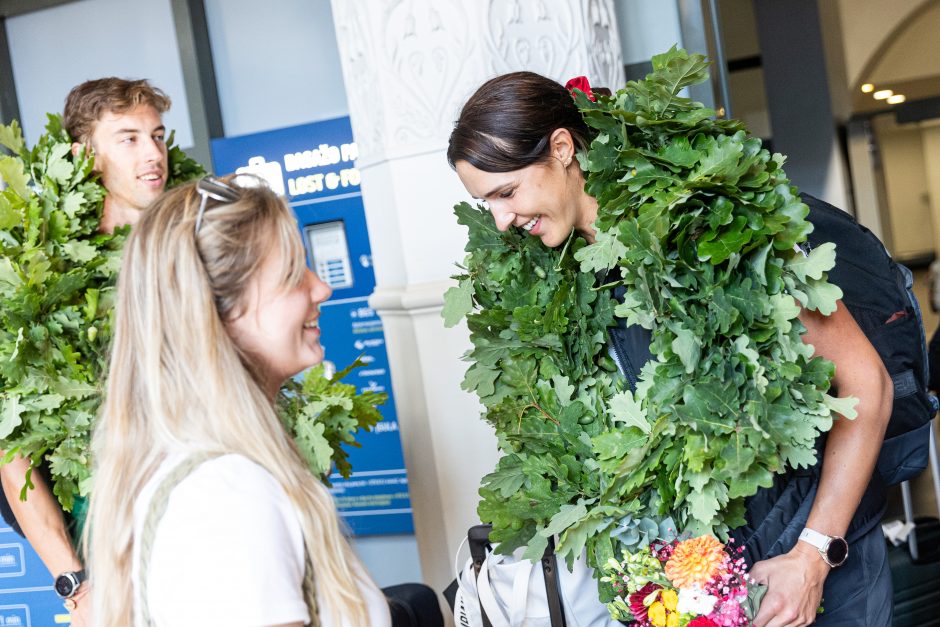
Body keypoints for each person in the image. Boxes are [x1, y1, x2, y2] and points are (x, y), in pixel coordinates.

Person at [447, 71, 893, 626]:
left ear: (562, 148)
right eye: (484, 202)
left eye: (506, 192)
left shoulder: (715, 228)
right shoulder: (567, 273)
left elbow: (866, 383)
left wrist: (813, 555)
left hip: (814, 573)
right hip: (709, 587)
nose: (501, 220)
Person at [84, 175, 391, 627]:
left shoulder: (211, 471)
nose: (321, 288)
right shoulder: (226, 495)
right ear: (220, 315)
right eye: (291, 274)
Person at [0, 77, 171, 624]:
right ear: (86, 157)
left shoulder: (193, 250)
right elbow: (12, 450)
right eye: (128, 139)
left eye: (158, 135)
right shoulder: (36, 277)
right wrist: (77, 584)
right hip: (105, 551)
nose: (152, 154)